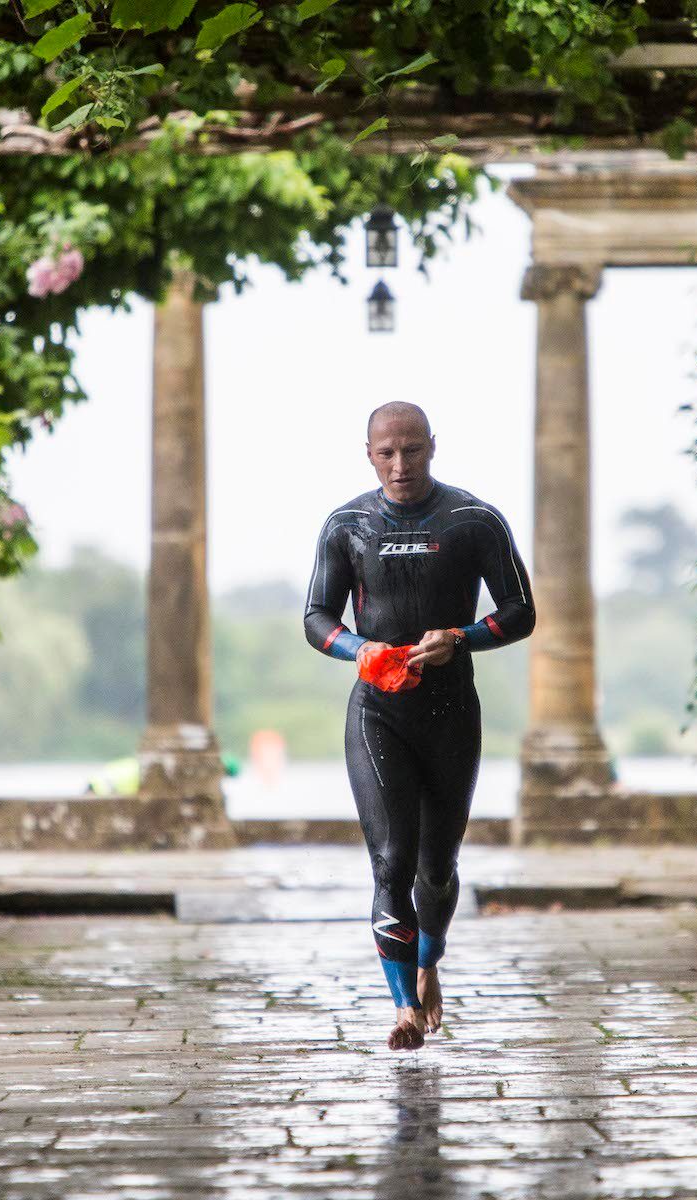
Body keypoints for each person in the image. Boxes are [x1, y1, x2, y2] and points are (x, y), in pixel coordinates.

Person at [303, 401, 535, 1050]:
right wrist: (360, 650)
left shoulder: (473, 520)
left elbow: (520, 613)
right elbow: (316, 618)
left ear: (433, 446)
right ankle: (403, 1007)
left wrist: (459, 639)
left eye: (412, 450)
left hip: (451, 713)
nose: (400, 466)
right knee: (391, 860)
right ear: (369, 455)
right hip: (378, 712)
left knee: (437, 867)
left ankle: (429, 962)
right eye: (387, 454)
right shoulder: (346, 525)